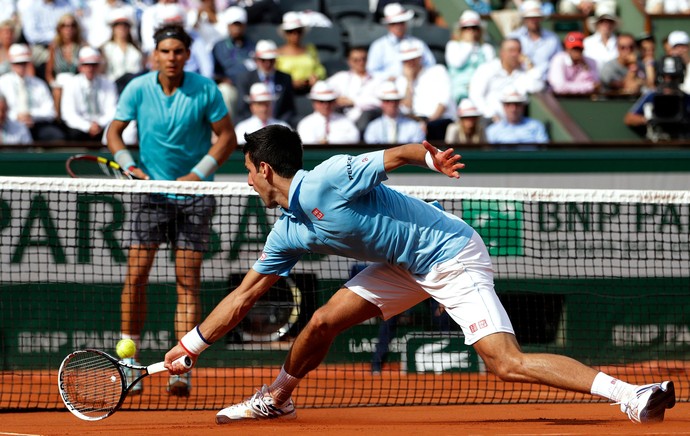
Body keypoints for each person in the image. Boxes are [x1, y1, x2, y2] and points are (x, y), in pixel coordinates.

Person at [162, 124, 676, 425]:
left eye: (248, 170)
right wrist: (191, 345)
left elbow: (401, 152)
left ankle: (629, 395)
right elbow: (245, 296)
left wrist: (433, 160)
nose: (247, 180)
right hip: (402, 265)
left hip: (450, 252)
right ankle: (276, 399)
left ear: (264, 169)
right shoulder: (286, 234)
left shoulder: (328, 178)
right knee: (320, 323)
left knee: (504, 362)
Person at [106, 23, 237, 397]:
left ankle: (180, 367)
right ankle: (129, 363)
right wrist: (129, 166)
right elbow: (113, 132)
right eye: (165, 51)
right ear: (155, 54)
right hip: (150, 195)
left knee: (187, 283)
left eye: (178, 51)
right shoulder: (137, 88)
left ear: (187, 55)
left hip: (193, 197)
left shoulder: (205, 90)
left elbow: (226, 138)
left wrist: (197, 175)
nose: (172, 57)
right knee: (136, 277)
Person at [468, 38, 545, 122]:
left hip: (517, 123)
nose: (515, 54)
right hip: (489, 121)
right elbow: (475, 95)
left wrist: (529, 64)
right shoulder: (487, 69)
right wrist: (491, 114)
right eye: (511, 50)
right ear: (502, 53)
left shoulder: (523, 73)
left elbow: (538, 87)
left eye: (519, 51)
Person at [0, 44, 65, 141]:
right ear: (11, 64)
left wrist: (31, 115)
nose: (21, 66)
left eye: (24, 63)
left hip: (36, 125)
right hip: (10, 125)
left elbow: (50, 112)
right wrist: (17, 116)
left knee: (57, 136)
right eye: (17, 63)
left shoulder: (39, 84)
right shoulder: (2, 82)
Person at [395, 39, 454, 140]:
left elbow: (443, 103)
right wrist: (409, 82)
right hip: (415, 124)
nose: (410, 63)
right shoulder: (401, 81)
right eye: (406, 61)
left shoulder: (437, 71)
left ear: (420, 58)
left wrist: (427, 123)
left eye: (413, 59)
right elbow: (406, 109)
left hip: (439, 121)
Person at [624, 55, 690, 142]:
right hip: (657, 141)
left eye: (673, 77)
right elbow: (629, 118)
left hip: (682, 142)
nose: (668, 82)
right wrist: (647, 119)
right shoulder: (652, 96)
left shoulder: (686, 98)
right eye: (665, 77)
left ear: (680, 78)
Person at [60, 46, 118, 141]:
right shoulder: (71, 84)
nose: (90, 68)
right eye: (86, 65)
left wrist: (99, 123)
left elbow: (112, 110)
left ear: (98, 66)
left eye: (93, 65)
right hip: (80, 128)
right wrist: (87, 126)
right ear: (80, 66)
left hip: (103, 127)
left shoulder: (108, 83)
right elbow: (68, 114)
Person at [366, 2, 436, 81]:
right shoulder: (378, 46)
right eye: (394, 24)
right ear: (388, 26)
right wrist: (389, 77)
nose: (398, 27)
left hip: (417, 83)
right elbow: (371, 72)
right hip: (389, 86)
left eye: (401, 23)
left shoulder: (417, 43)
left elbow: (430, 65)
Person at [236, 39, 296, 125]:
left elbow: (289, 109)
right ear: (256, 60)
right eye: (263, 60)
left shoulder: (285, 78)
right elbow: (242, 110)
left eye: (271, 60)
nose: (267, 64)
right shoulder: (245, 79)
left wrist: (278, 124)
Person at [211, 6, 255, 120]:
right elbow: (213, 73)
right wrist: (223, 79)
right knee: (225, 91)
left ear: (244, 25)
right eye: (233, 24)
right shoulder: (219, 46)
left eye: (239, 24)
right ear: (228, 26)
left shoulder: (253, 45)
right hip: (232, 87)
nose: (236, 28)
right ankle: (228, 128)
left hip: (250, 86)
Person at [327, 46, 383, 134]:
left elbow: (380, 102)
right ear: (349, 61)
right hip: (341, 118)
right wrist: (335, 99)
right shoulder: (340, 77)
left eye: (363, 59)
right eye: (356, 60)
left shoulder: (377, 79)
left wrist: (353, 101)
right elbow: (323, 91)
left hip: (365, 121)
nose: (361, 63)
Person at [445, 10, 496, 106]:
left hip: (482, 90)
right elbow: (456, 62)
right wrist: (469, 44)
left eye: (474, 28)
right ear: (460, 30)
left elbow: (491, 72)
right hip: (459, 92)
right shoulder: (453, 46)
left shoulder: (486, 49)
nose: (471, 31)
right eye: (466, 28)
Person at [508, 0, 561, 80]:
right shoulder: (513, 37)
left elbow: (559, 63)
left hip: (547, 84)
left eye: (536, 17)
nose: (533, 21)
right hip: (519, 83)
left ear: (541, 19)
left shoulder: (553, 39)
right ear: (524, 19)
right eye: (530, 18)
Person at [45, 13, 84, 120]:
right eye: (65, 26)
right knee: (58, 91)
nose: (69, 29)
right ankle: (58, 120)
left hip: (77, 81)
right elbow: (49, 73)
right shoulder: (54, 47)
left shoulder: (82, 46)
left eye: (72, 25)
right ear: (59, 29)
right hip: (61, 81)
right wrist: (53, 83)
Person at [275, 11, 326, 95]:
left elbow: (320, 69)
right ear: (285, 34)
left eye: (298, 31)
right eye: (290, 31)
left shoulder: (310, 49)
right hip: (287, 94)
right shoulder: (277, 53)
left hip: (310, 91)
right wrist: (290, 82)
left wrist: (316, 76)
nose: (295, 35)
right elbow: (275, 76)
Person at [100, 8, 145, 94]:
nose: (122, 28)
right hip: (114, 87)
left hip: (134, 86)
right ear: (113, 28)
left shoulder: (136, 49)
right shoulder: (106, 48)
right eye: (118, 25)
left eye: (125, 25)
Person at [583, 3, 619, 73]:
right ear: (597, 24)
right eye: (602, 21)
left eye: (609, 21)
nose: (606, 24)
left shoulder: (619, 42)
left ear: (613, 24)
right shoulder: (587, 42)